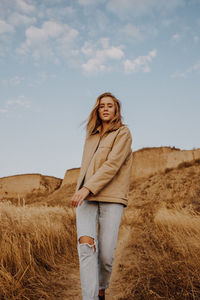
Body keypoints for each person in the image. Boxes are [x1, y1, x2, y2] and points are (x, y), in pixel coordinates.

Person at [71, 92, 133, 300]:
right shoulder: (91, 135)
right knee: (86, 248)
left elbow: (112, 165)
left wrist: (87, 188)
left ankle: (101, 288)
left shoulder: (123, 133)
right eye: (101, 106)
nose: (105, 108)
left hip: (112, 197)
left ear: (116, 110)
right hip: (86, 198)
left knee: (105, 256)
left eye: (109, 105)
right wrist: (81, 189)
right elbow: (86, 167)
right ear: (97, 110)